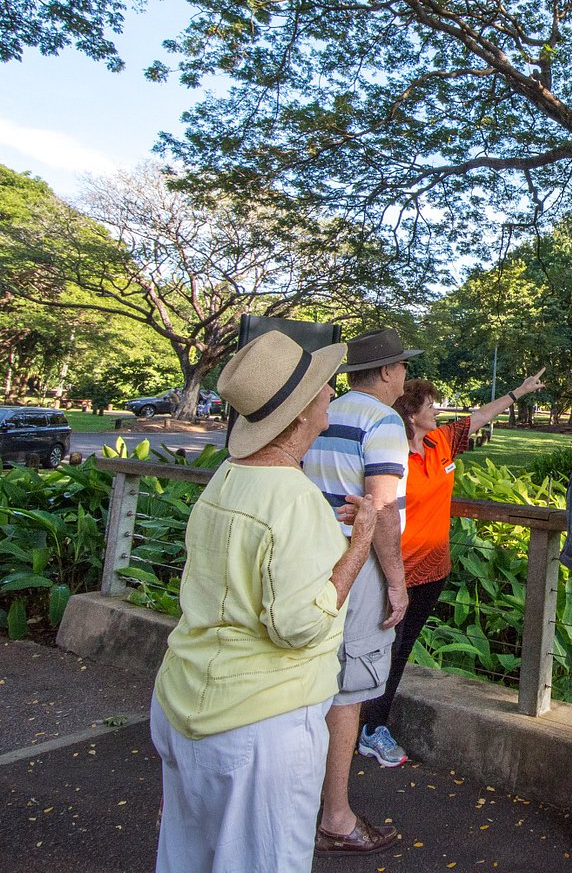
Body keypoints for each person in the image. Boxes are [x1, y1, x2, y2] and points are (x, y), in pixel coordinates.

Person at [150, 330, 380, 873]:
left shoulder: (228, 476)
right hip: (259, 728)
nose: (331, 392)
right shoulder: (293, 498)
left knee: (186, 857)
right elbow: (299, 625)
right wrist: (359, 546)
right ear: (300, 414)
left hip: (185, 701)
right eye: (322, 386)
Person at [357, 367, 548, 765]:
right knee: (385, 652)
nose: (437, 411)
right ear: (411, 415)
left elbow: (480, 416)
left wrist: (519, 390)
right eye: (430, 406)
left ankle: (371, 723)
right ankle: (370, 728)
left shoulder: (442, 441)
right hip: (398, 570)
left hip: (434, 568)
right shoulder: (392, 453)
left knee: (402, 650)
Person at [303, 327, 420, 855]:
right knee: (347, 691)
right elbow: (383, 515)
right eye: (403, 369)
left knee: (307, 681)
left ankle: (301, 802)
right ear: (389, 372)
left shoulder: (320, 411)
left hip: (308, 560)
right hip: (357, 564)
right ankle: (335, 816)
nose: (406, 378)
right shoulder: (383, 422)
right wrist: (397, 582)